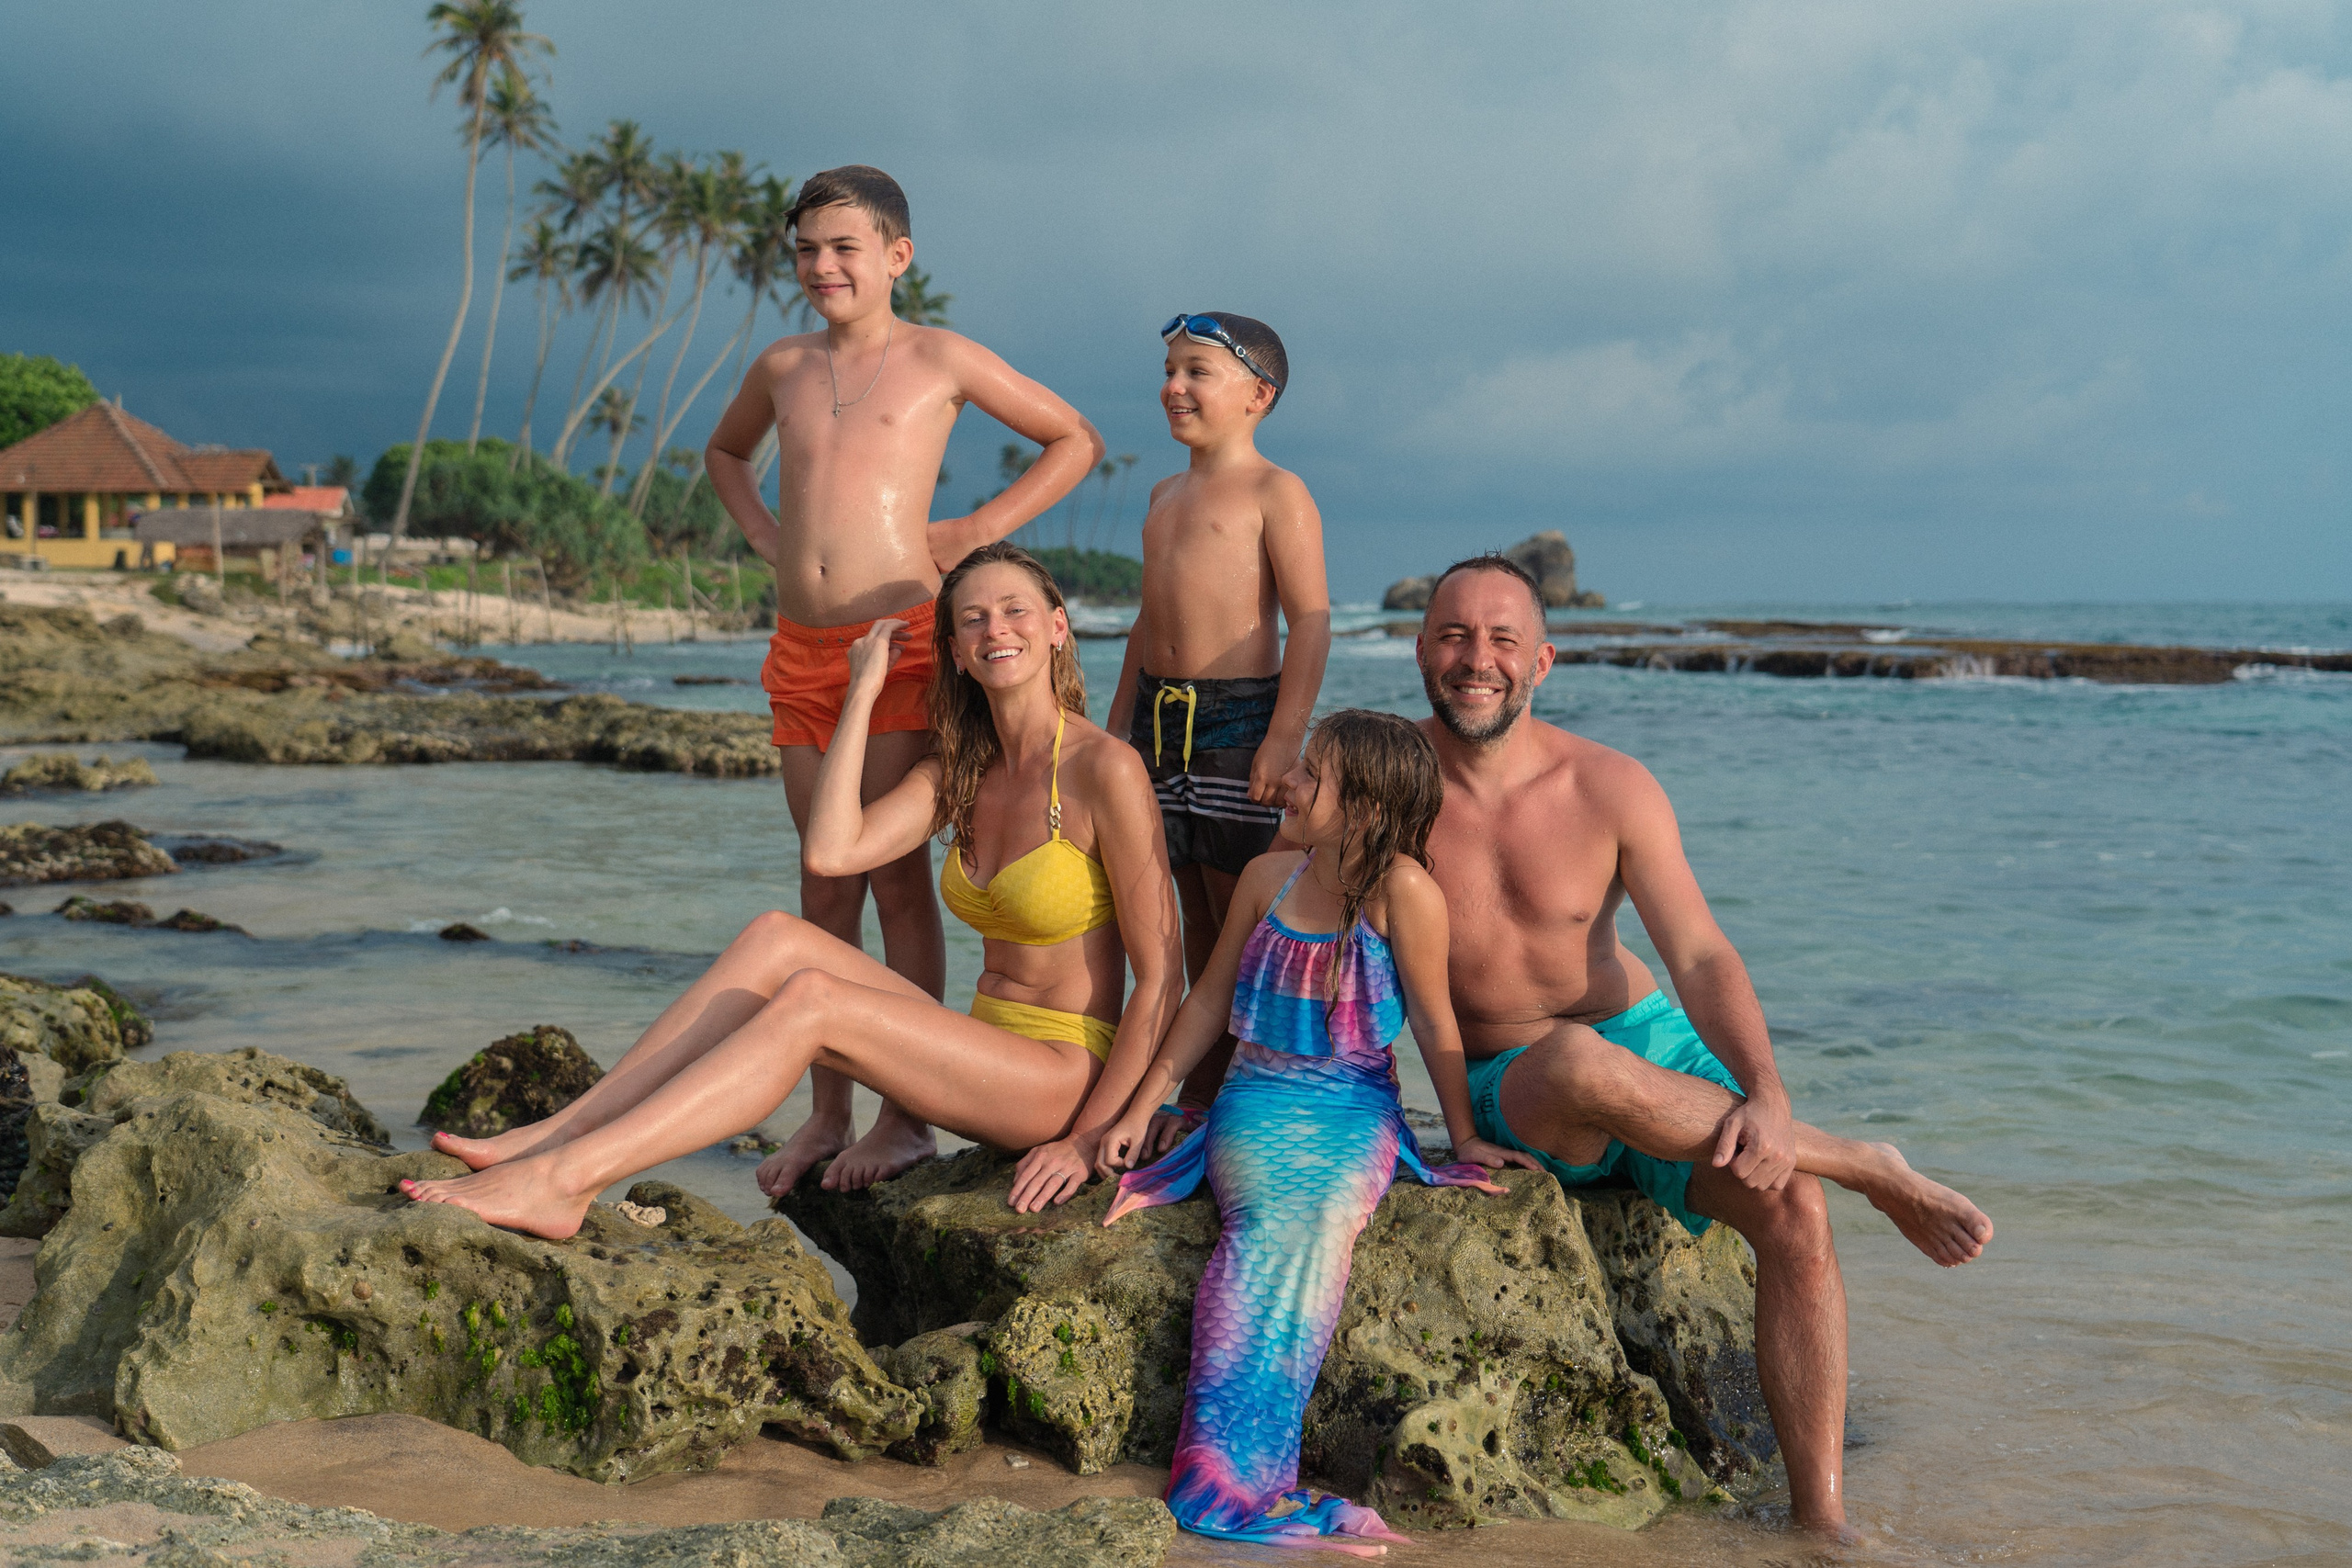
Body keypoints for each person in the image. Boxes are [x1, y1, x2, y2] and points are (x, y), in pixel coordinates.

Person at [1409, 554, 1995, 1538]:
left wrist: (1765, 1090)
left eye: (1502, 639)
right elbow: (1283, 913)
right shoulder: (1386, 786)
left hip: (1652, 1050)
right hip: (1526, 1081)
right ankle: (1860, 1158)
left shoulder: (1607, 785)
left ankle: (1821, 1523)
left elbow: (1700, 954)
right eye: (1455, 636)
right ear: (1422, 649)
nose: (1478, 660)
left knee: (1793, 1209)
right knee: (1578, 1063)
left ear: (1542, 660)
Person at [409, 545, 1181, 1235]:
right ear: (954, 652)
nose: (995, 629)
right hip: (983, 1049)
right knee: (779, 934)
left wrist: (1088, 1137)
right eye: (973, 618)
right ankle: (560, 1134)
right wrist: (863, 691)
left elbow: (1160, 978)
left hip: (1059, 1073)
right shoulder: (959, 771)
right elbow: (833, 847)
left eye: (1015, 610)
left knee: (814, 998)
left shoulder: (1103, 768)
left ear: (1057, 627)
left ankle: (564, 1182)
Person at [705, 164, 1105, 1192]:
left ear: (897, 255)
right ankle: (825, 1113)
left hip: (902, 646)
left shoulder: (939, 357)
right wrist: (766, 537)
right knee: (820, 879)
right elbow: (724, 455)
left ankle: (905, 1116)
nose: (823, 265)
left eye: (845, 247)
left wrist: (975, 531)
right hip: (801, 649)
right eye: (806, 249)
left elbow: (1074, 440)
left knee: (891, 876)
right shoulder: (784, 364)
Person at [1098, 709, 1536, 1553]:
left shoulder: (1406, 892)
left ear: (1366, 805)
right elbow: (1209, 1001)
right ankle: (1227, 1471)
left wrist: (1465, 1136)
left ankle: (1244, 1471)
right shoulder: (1267, 876)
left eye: (1311, 775)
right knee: (1264, 1227)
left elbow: (1438, 1025)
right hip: (1256, 1099)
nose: (1287, 784)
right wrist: (1142, 1104)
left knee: (1326, 1220)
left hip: (1350, 1107)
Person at [1103, 311, 1330, 1150]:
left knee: (1246, 906)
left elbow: (1309, 619)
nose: (1174, 386)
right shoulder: (1164, 495)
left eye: (1197, 370)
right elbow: (1143, 620)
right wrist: (1117, 725)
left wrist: (1283, 734)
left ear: (1257, 395)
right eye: (1169, 369)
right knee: (1179, 908)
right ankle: (1200, 1083)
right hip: (1159, 718)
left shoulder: (1278, 492)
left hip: (1241, 715)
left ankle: (1258, 1078)